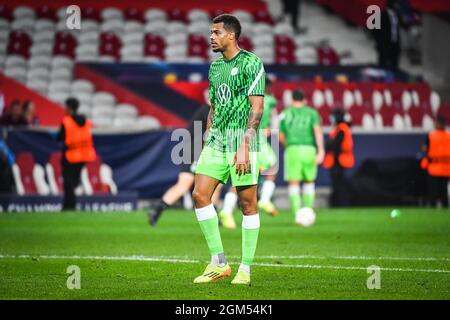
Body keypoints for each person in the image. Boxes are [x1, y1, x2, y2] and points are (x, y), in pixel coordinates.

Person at [191, 14, 265, 286]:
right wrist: (207, 135)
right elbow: (214, 105)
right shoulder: (214, 67)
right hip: (217, 141)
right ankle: (219, 262)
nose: (211, 37)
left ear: (231, 35)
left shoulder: (252, 63)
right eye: (211, 32)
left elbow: (257, 108)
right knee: (199, 195)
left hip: (242, 141)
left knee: (247, 205)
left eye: (216, 32)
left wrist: (245, 145)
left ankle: (245, 268)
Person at [148, 92, 223, 226]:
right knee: (200, 184)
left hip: (191, 149)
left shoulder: (205, 110)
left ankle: (157, 209)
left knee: (189, 184)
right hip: (195, 150)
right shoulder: (209, 111)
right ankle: (214, 216)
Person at [218, 77, 279, 229]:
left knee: (242, 176)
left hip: (237, 137)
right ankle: (264, 199)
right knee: (271, 167)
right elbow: (272, 118)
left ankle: (226, 209)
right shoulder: (268, 99)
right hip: (254, 138)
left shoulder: (238, 98)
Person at [279, 89, 324, 221]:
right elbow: (317, 131)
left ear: (292, 99)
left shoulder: (285, 113)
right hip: (309, 149)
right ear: (304, 99)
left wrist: (288, 146)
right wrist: (321, 150)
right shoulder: (312, 113)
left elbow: (280, 136)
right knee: (309, 181)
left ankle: (297, 215)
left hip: (292, 149)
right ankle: (309, 212)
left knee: (294, 183)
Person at [56, 97, 96, 210]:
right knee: (73, 182)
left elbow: (60, 137)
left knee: (68, 182)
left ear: (68, 108)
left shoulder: (67, 121)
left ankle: (69, 205)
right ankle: (69, 204)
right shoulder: (86, 122)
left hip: (70, 156)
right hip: (84, 156)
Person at [323, 109, 355, 207]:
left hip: (339, 162)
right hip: (338, 161)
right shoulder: (340, 128)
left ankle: (341, 204)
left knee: (339, 185)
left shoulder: (342, 128)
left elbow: (336, 144)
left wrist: (324, 146)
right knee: (338, 184)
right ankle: (338, 203)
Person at [420, 115, 450, 208]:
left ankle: (433, 207)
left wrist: (424, 150)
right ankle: (445, 208)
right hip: (446, 168)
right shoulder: (448, 135)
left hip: (434, 167)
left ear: (437, 123)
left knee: (433, 191)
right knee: (443, 191)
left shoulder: (431, 135)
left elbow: (426, 149)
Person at [373, 0, 401, 70]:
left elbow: (397, 27)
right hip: (384, 44)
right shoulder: (381, 14)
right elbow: (375, 30)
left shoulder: (396, 14)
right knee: (383, 66)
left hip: (394, 44)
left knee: (394, 66)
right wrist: (379, 43)